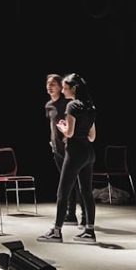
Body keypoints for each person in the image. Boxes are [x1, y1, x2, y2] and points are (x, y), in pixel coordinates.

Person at [38, 73, 97, 244]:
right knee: (86, 191)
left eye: (65, 87)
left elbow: (69, 133)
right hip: (89, 152)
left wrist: (63, 128)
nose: (63, 91)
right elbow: (92, 136)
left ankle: (56, 231)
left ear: (74, 88)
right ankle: (89, 231)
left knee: (63, 192)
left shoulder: (72, 106)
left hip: (75, 152)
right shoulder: (90, 107)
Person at [44, 74, 83, 226]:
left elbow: (75, 121)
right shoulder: (48, 105)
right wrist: (51, 140)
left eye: (53, 83)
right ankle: (70, 214)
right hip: (57, 148)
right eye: (48, 84)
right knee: (66, 182)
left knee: (75, 181)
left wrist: (70, 137)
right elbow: (52, 124)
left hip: (69, 147)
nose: (49, 86)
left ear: (60, 87)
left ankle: (83, 215)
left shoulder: (67, 103)